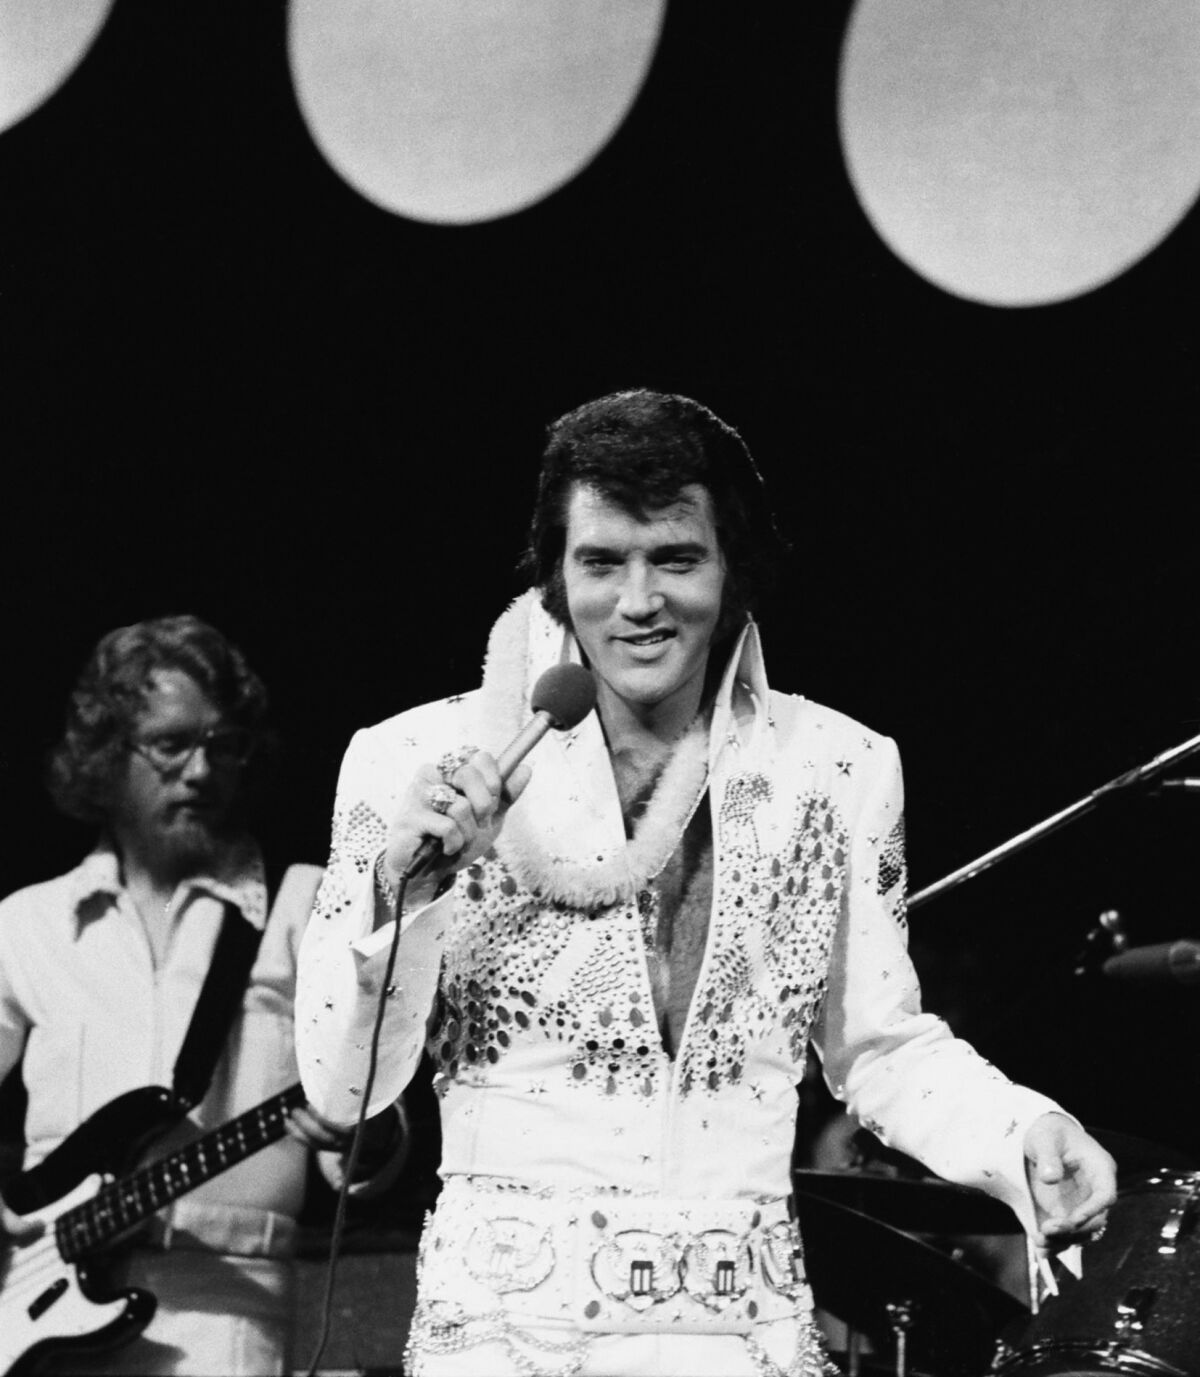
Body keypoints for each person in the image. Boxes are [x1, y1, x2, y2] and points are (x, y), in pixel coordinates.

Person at [295, 390, 1117, 1377]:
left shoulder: (840, 766)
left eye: (675, 558)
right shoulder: (416, 760)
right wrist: (403, 893)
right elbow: (344, 1090)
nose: (637, 602)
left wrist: (1020, 1131)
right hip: (506, 1341)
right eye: (602, 562)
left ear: (734, 571)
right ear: (555, 576)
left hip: (748, 1340)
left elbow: (879, 1044)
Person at [0, 614, 408, 1377]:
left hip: (232, 1312)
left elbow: (375, 1134)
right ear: (104, 753)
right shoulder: (25, 925)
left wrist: (367, 1130)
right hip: (37, 1312)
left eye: (223, 746)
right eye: (170, 744)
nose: (200, 770)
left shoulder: (306, 907)